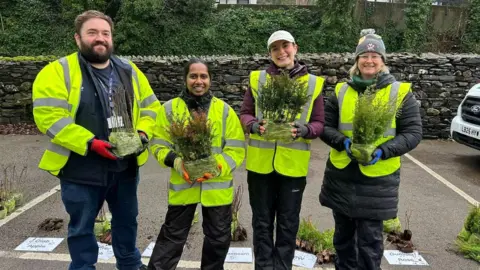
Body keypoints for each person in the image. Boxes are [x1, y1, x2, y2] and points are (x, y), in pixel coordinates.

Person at [32, 10, 160, 270]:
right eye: (92, 33)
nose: (100, 38)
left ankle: (130, 265)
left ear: (111, 38)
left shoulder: (129, 70)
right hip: (81, 167)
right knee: (81, 227)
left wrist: (144, 133)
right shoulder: (58, 71)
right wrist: (90, 143)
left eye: (105, 33)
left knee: (127, 221)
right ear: (77, 38)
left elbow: (151, 108)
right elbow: (49, 116)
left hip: (124, 166)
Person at [319, 29, 423, 270]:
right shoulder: (341, 91)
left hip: (377, 181)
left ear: (383, 61)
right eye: (364, 55)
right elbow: (324, 126)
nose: (369, 60)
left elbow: (413, 133)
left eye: (375, 56)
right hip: (342, 176)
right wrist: (342, 142)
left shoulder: (399, 93)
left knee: (369, 242)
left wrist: (383, 151)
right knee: (343, 240)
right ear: (356, 60)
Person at [147, 58, 246, 270]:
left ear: (210, 79)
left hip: (217, 188)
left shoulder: (225, 111)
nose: (198, 81)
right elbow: (157, 145)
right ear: (185, 79)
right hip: (184, 187)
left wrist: (216, 166)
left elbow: (236, 149)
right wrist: (176, 162)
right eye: (193, 76)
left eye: (203, 76)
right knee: (172, 238)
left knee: (218, 240)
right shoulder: (169, 109)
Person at [240, 30, 325, 269]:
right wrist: (254, 126)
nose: (281, 52)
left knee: (288, 224)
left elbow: (319, 122)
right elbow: (245, 114)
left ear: (295, 48)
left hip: (293, 169)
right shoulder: (258, 79)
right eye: (275, 48)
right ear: (270, 54)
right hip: (260, 167)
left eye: (285, 46)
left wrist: (305, 130)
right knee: (262, 222)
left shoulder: (312, 83)